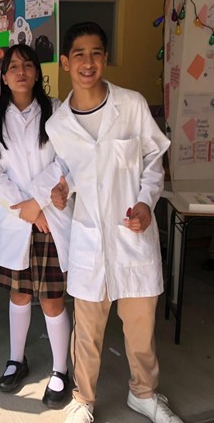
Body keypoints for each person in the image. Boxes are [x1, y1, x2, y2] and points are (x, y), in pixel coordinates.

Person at [47, 22, 182, 423]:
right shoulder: (58, 125)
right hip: (90, 240)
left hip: (132, 236)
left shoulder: (131, 105)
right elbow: (72, 169)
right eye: (79, 54)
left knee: (140, 329)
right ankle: (83, 399)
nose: (88, 62)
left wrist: (145, 202)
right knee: (87, 331)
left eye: (96, 53)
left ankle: (144, 394)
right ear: (66, 62)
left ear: (105, 58)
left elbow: (153, 161)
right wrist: (63, 189)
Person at [0, 44, 73, 409]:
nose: (21, 71)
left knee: (51, 298)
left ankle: (61, 369)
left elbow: (66, 161)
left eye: (28, 65)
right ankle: (16, 360)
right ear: (4, 77)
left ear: (37, 72)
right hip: (21, 219)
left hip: (50, 219)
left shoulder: (57, 112)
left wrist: (38, 202)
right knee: (19, 295)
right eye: (13, 67)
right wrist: (28, 209)